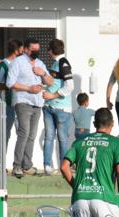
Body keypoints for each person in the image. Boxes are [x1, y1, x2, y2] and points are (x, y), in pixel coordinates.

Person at [6, 38, 54, 178]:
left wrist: (43, 74)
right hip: (23, 101)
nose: (36, 52)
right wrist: (28, 88)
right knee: (24, 133)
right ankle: (17, 166)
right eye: (33, 50)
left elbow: (50, 82)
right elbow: (10, 83)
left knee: (32, 135)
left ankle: (27, 164)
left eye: (37, 50)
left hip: (37, 103)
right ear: (26, 49)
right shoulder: (17, 62)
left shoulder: (40, 64)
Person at [42, 38, 75, 176]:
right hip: (49, 107)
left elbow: (70, 86)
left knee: (62, 139)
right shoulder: (56, 63)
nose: (48, 53)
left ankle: (64, 167)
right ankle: (47, 166)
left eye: (49, 50)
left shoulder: (63, 63)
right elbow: (55, 83)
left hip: (62, 108)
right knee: (49, 137)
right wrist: (43, 88)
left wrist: (53, 96)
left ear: (51, 50)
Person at [0, 39, 23, 149]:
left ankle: (21, 164)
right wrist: (10, 85)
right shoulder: (3, 65)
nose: (23, 52)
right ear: (16, 51)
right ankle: (2, 163)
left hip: (22, 104)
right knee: (5, 134)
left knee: (23, 134)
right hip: (8, 105)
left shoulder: (22, 63)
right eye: (21, 50)